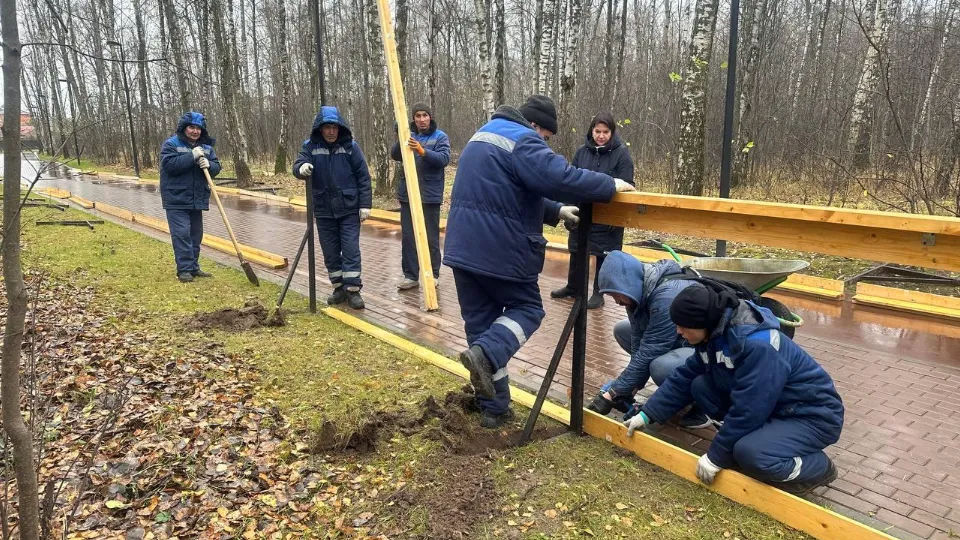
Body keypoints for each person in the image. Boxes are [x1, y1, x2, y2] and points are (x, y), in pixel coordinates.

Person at [444, 95, 635, 429]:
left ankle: (494, 408)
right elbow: (558, 177)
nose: (544, 142)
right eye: (546, 137)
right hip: (500, 250)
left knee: (482, 324)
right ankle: (486, 356)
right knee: (527, 309)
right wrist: (608, 185)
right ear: (535, 126)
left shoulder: (484, 135)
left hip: (463, 249)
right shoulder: (523, 139)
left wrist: (555, 211)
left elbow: (511, 188)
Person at [623, 284, 844, 494]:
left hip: (811, 416)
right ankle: (743, 445)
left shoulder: (759, 346)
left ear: (704, 323)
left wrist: (716, 457)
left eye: (684, 326)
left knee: (752, 454)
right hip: (776, 407)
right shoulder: (714, 336)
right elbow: (684, 376)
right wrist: (647, 414)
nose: (679, 331)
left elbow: (749, 410)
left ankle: (819, 468)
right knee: (700, 385)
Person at [584, 251, 710, 428]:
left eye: (617, 295)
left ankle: (702, 404)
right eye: (612, 296)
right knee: (622, 330)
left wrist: (612, 393)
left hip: (707, 351)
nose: (617, 301)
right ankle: (677, 389)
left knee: (660, 367)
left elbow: (652, 348)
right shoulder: (635, 293)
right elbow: (638, 341)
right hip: (680, 339)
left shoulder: (666, 296)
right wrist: (631, 387)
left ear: (628, 284)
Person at [551, 113, 635, 309]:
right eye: (598, 131)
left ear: (612, 133)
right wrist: (567, 207)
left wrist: (618, 216)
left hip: (608, 214)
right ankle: (573, 287)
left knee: (603, 255)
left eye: (606, 132)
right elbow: (570, 181)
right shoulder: (582, 152)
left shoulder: (621, 154)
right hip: (582, 210)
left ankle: (599, 292)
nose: (601, 135)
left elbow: (628, 185)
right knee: (576, 249)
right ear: (592, 131)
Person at [293, 106, 372, 310]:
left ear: (340, 129)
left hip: (348, 209)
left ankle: (353, 290)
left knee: (350, 250)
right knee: (330, 252)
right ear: (320, 129)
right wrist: (301, 169)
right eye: (327, 127)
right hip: (323, 209)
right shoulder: (310, 146)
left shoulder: (350, 147)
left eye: (334, 128)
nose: (331, 132)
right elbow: (298, 165)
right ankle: (338, 288)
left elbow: (363, 176)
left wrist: (365, 205)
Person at [390, 102, 451, 290]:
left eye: (425, 115)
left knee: (431, 237)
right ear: (413, 119)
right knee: (408, 237)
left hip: (429, 195)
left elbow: (443, 159)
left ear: (430, 117)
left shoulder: (440, 137)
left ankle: (433, 274)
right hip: (408, 194)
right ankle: (410, 276)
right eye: (418, 116)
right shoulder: (410, 136)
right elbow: (395, 155)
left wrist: (422, 151)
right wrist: (400, 137)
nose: (422, 119)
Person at [159, 111, 222, 283]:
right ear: (184, 128)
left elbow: (217, 167)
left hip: (197, 198)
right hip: (176, 198)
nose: (195, 131)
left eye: (198, 128)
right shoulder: (171, 144)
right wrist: (191, 156)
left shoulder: (207, 148)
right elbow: (169, 165)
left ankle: (194, 267)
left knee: (195, 235)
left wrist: (210, 165)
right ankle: (184, 270)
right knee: (182, 234)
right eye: (192, 127)